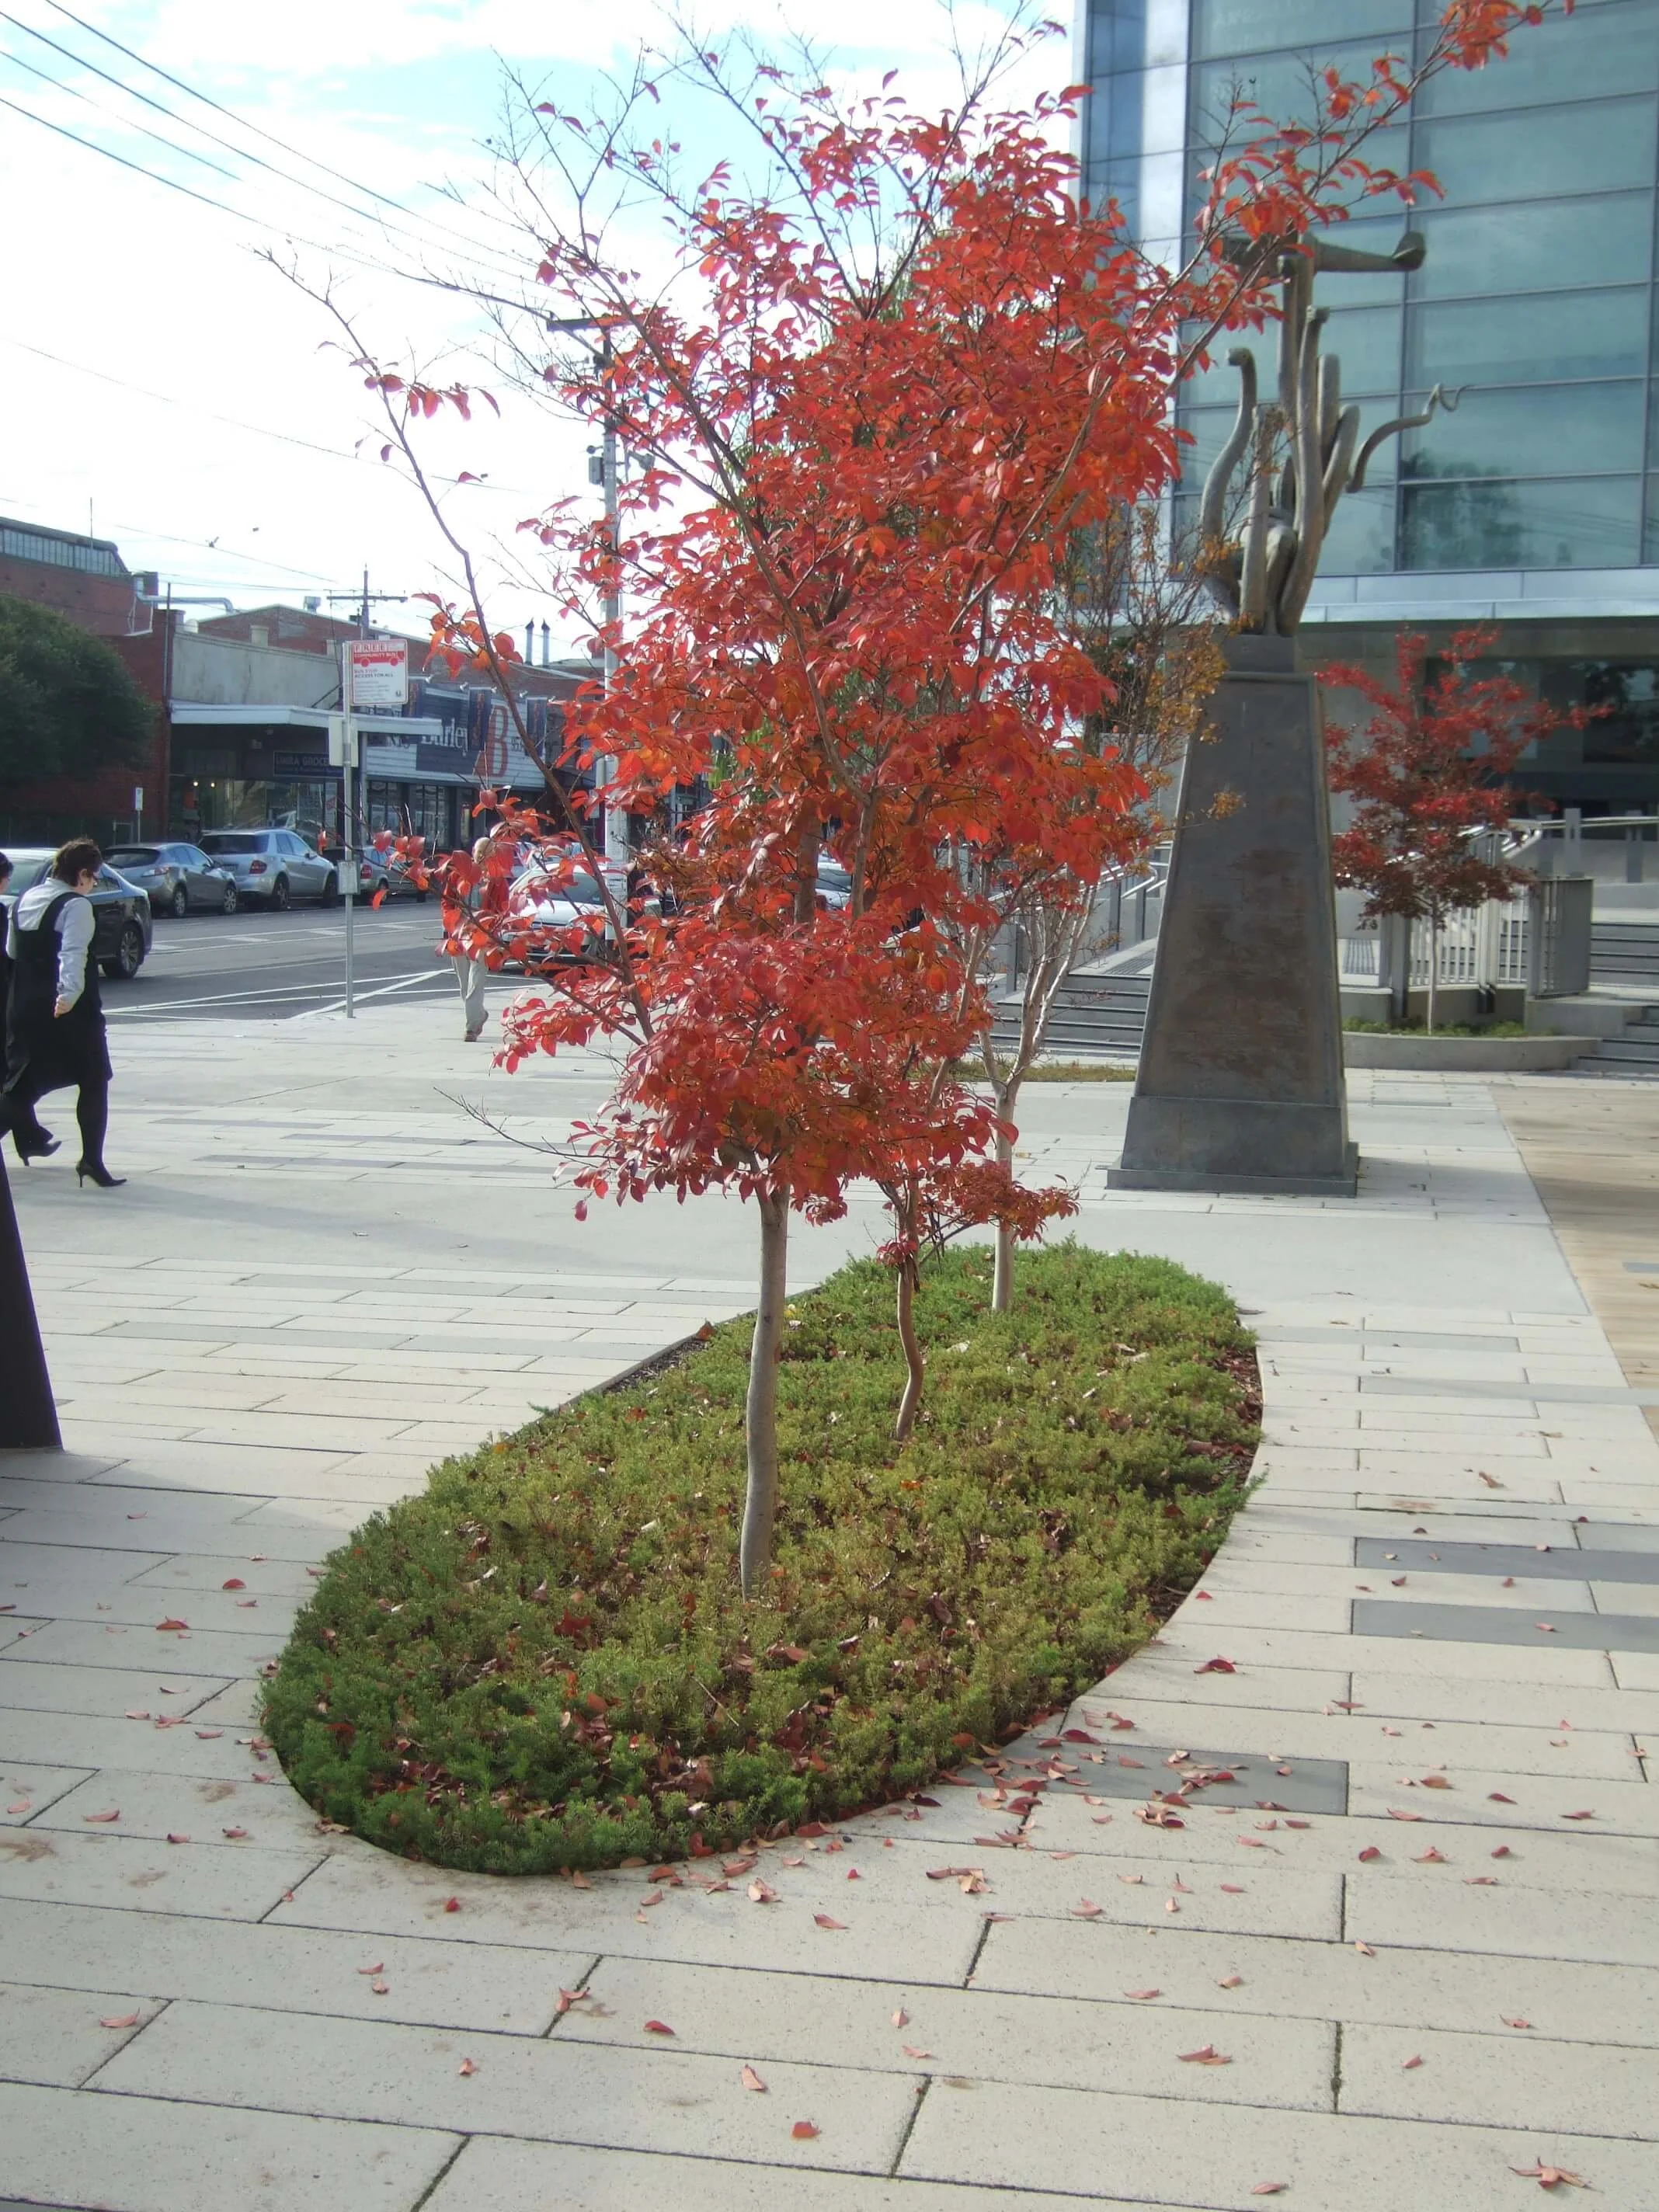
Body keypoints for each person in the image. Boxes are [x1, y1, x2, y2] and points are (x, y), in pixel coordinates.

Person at [2, 838, 123, 1187]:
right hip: (66, 1009)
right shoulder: (75, 906)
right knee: (94, 1079)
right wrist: (68, 994)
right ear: (82, 874)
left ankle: (87, 1160)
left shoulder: (25, 899)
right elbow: (73, 954)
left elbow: (12, 950)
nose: (94, 884)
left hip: (22, 1003)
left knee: (22, 1087)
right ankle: (91, 1161)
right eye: (94, 877)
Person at [451, 835, 506, 1043]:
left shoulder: (498, 880)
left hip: (483, 938)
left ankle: (471, 1028)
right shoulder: (459, 875)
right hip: (459, 936)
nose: (482, 855)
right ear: (473, 852)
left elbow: (503, 909)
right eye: (479, 851)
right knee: (464, 985)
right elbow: (448, 903)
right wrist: (450, 928)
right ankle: (479, 1015)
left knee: (476, 983)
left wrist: (493, 931)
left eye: (487, 851)